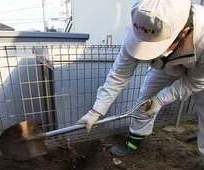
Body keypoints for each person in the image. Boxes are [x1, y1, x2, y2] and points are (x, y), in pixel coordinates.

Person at [78, 0, 204, 160]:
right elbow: (119, 75)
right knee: (144, 102)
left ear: (183, 31)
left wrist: (161, 99)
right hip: (167, 64)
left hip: (200, 73)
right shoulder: (140, 29)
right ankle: (134, 142)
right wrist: (96, 111)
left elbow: (196, 82)